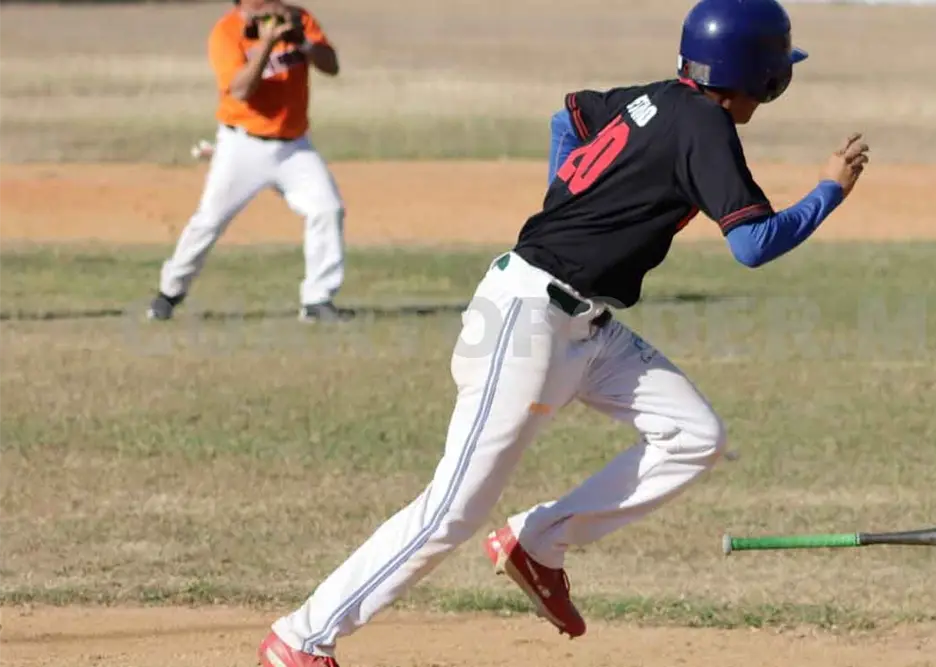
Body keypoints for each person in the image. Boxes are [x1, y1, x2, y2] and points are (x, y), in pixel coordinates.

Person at [256, 0, 870, 663]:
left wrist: (566, 200)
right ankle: (301, 636)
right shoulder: (706, 126)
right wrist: (828, 191)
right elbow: (752, 244)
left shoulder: (656, 99)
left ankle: (539, 538)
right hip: (526, 322)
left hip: (588, 327)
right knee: (451, 511)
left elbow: (568, 116)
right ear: (760, 74)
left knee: (694, 434)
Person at [147, 0, 353, 323]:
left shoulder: (298, 18)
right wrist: (267, 42)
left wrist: (301, 40)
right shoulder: (227, 32)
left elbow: (332, 65)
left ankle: (317, 299)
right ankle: (169, 292)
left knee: (327, 208)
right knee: (209, 220)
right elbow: (241, 90)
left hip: (294, 147)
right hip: (242, 145)